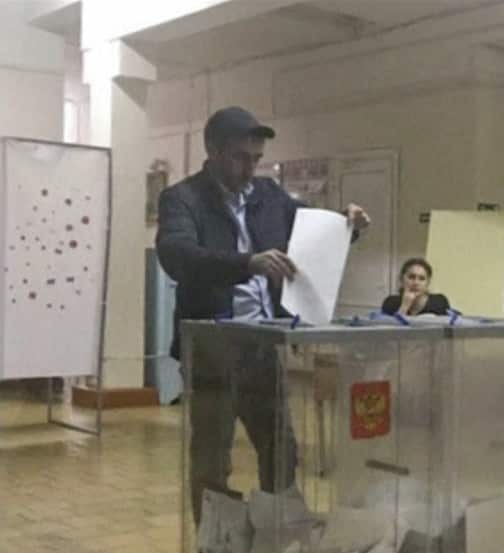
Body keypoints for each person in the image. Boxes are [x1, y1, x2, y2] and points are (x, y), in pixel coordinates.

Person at [156, 106, 370, 521]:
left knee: (281, 448)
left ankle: (282, 538)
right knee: (212, 459)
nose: (250, 169)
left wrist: (348, 226)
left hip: (263, 345)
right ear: (214, 152)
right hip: (212, 351)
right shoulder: (183, 199)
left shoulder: (269, 196)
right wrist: (247, 263)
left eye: (256, 159)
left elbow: (310, 236)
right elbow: (177, 256)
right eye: (240, 158)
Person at [381, 258, 451, 316]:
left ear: (428, 283)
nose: (416, 283)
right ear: (402, 279)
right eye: (411, 277)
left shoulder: (439, 302)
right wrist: (404, 307)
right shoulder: (390, 303)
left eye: (422, 279)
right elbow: (390, 331)